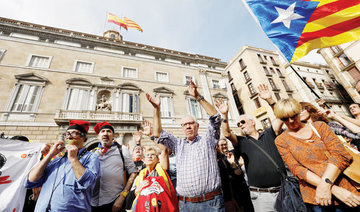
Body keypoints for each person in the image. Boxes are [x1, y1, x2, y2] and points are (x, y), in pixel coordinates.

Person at [147, 79, 225, 211]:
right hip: (186, 205)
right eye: (185, 124)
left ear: (197, 125)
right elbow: (158, 134)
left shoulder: (208, 139)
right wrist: (157, 109)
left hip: (211, 203)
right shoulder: (178, 144)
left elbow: (216, 117)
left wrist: (197, 97)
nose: (188, 126)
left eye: (191, 123)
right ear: (182, 128)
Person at [274, 98, 360, 211]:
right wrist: (333, 189)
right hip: (316, 197)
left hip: (346, 189)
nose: (290, 121)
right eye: (285, 118)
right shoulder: (281, 140)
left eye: (293, 116)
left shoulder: (320, 127)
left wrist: (325, 185)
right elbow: (296, 169)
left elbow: (340, 155)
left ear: (299, 112)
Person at [216, 84, 286, 212]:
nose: (241, 125)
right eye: (238, 124)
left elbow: (281, 116)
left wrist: (270, 100)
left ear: (252, 122)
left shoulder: (269, 133)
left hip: (283, 191)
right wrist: (224, 115)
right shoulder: (241, 142)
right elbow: (226, 133)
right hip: (261, 196)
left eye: (243, 122)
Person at [25, 120, 100, 212]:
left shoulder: (91, 157)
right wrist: (50, 154)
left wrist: (73, 159)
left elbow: (87, 183)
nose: (69, 136)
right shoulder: (57, 160)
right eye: (67, 134)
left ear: (84, 138)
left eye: (74, 133)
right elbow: (31, 180)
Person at [91, 121, 137, 212]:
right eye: (103, 131)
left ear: (113, 135)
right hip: (92, 202)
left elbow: (133, 173)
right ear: (98, 136)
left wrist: (122, 196)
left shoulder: (122, 149)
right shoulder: (92, 153)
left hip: (114, 201)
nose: (105, 133)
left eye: (108, 131)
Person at [132, 146, 178, 212]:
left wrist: (153, 137)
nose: (150, 156)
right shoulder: (140, 176)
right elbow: (134, 194)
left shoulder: (162, 170)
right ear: (144, 160)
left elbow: (164, 150)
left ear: (158, 159)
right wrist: (138, 189)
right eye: (147, 155)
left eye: (153, 155)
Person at [216, 138, 254, 212]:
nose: (224, 146)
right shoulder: (219, 160)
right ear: (218, 147)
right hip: (231, 192)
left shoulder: (232, 154)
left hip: (241, 187)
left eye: (225, 144)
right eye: (221, 145)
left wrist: (234, 164)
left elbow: (239, 173)